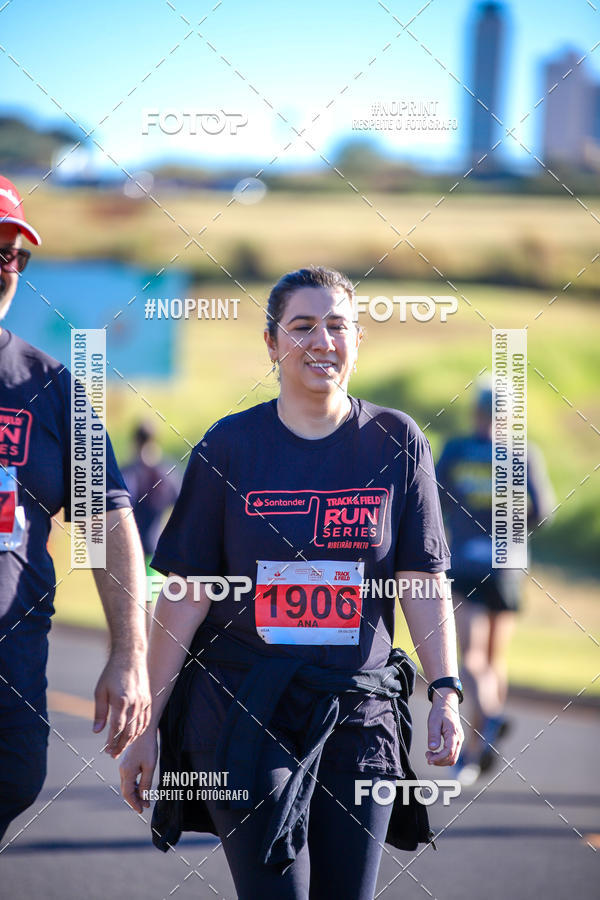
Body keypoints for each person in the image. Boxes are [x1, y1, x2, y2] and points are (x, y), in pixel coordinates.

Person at [120, 266, 463, 900]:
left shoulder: (398, 442)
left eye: (337, 326)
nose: (321, 342)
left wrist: (445, 689)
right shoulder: (229, 446)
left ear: (358, 340)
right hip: (242, 708)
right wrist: (147, 726)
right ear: (272, 343)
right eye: (302, 327)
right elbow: (186, 594)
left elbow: (421, 579)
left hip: (358, 712)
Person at [0, 176, 151, 842]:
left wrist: (129, 654)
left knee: (15, 776)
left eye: (16, 255)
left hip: (12, 664)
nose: (6, 267)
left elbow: (105, 522)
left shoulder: (52, 388)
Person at [436, 383, 554, 784]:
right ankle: (477, 747)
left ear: (476, 412)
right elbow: (544, 511)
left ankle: (491, 720)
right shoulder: (523, 453)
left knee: (470, 658)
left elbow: (433, 500)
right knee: (494, 659)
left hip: (466, 563)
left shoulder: (456, 450)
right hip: (507, 567)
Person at [121, 420, 180, 571]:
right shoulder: (168, 472)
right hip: (157, 552)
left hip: (127, 551)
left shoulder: (127, 472)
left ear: (134, 441)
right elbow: (184, 506)